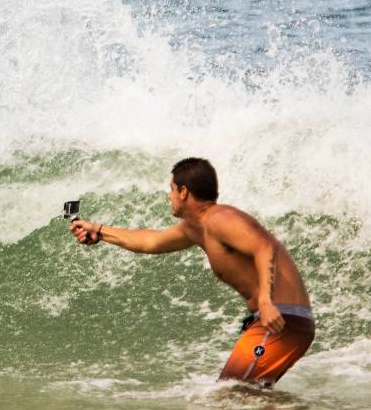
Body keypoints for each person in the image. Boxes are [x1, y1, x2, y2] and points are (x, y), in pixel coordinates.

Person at [69, 157, 314, 387]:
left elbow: (265, 247)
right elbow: (150, 242)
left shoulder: (222, 219)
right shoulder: (195, 228)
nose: (169, 196)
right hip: (278, 320)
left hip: (280, 319)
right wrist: (99, 231)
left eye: (172, 189)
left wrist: (266, 301)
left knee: (232, 392)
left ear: (184, 192)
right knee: (246, 394)